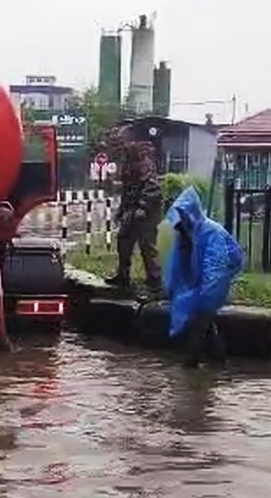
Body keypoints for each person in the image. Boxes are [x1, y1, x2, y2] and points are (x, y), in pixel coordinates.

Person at [164, 185, 245, 367]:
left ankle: (190, 368)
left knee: (199, 324)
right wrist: (171, 287)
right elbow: (177, 265)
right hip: (201, 283)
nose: (181, 221)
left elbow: (215, 269)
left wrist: (206, 296)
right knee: (206, 325)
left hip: (215, 283)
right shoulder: (185, 234)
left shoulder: (211, 233)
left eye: (184, 216)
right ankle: (220, 362)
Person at [104, 124, 164, 292]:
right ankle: (122, 275)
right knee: (123, 241)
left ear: (131, 141)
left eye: (122, 141)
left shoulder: (144, 159)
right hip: (131, 211)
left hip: (146, 213)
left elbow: (152, 187)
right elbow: (127, 189)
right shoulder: (129, 161)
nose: (120, 146)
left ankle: (155, 281)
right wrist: (121, 210)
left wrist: (143, 207)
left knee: (147, 247)